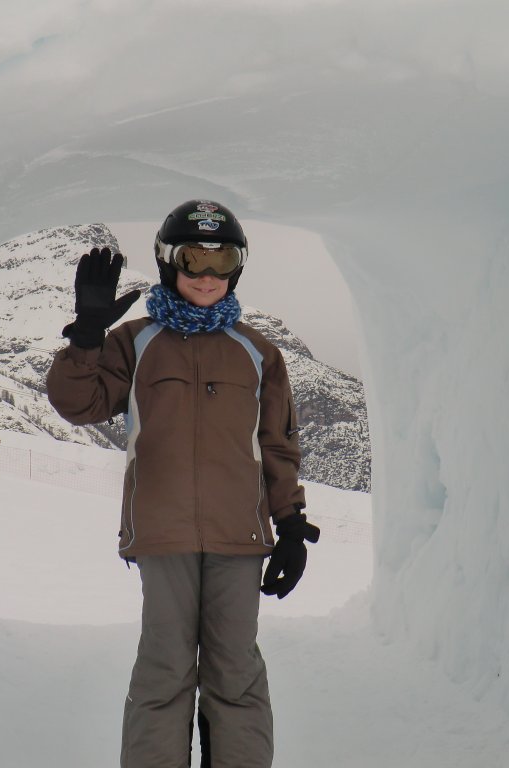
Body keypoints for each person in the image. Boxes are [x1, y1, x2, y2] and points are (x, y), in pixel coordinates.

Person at [47, 199, 319, 768]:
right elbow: (79, 403)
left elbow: (277, 446)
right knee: (165, 670)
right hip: (163, 533)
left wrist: (289, 523)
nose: (207, 275)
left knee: (236, 672)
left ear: (238, 268)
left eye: (223, 261)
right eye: (194, 258)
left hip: (238, 537)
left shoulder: (258, 352)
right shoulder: (136, 341)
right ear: (169, 262)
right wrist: (88, 337)